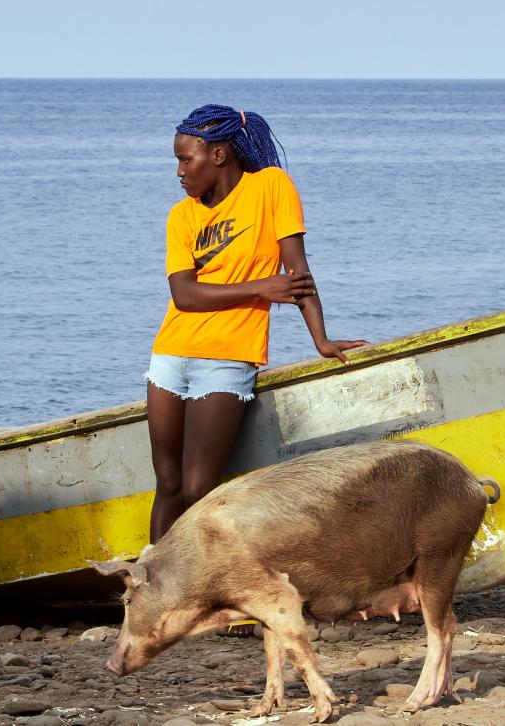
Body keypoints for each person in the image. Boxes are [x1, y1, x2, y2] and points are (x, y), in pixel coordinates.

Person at [145, 103, 368, 572]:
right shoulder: (181, 216)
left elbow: (298, 272)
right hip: (169, 355)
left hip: (226, 359)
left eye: (187, 160)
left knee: (200, 489)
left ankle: (218, 592)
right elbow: (184, 295)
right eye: (178, 161)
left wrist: (321, 341)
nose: (180, 172)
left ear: (220, 155)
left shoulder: (271, 188)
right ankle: (156, 593)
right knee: (167, 486)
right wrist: (261, 288)